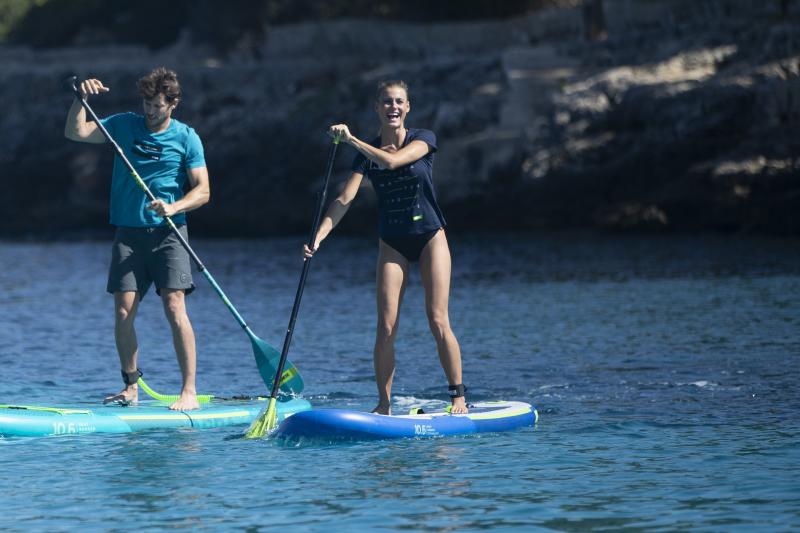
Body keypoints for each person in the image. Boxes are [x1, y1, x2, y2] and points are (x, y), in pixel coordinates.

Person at [305, 80, 468, 415]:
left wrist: (351, 140)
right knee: (386, 327)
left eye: (399, 102)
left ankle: (458, 396)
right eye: (386, 102)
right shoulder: (366, 154)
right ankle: (384, 404)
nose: (393, 107)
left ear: (407, 108)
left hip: (430, 238)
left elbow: (393, 163)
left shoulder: (424, 138)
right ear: (377, 108)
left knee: (437, 319)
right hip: (392, 241)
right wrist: (319, 236)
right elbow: (344, 199)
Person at [64, 67, 209, 411]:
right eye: (146, 103)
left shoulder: (187, 137)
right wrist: (80, 99)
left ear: (173, 103)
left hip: (169, 233)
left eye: (157, 105)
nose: (149, 111)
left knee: (175, 306)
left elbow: (203, 191)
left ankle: (188, 391)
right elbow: (76, 132)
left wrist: (173, 207)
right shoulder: (123, 125)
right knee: (123, 309)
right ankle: (130, 387)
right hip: (128, 233)